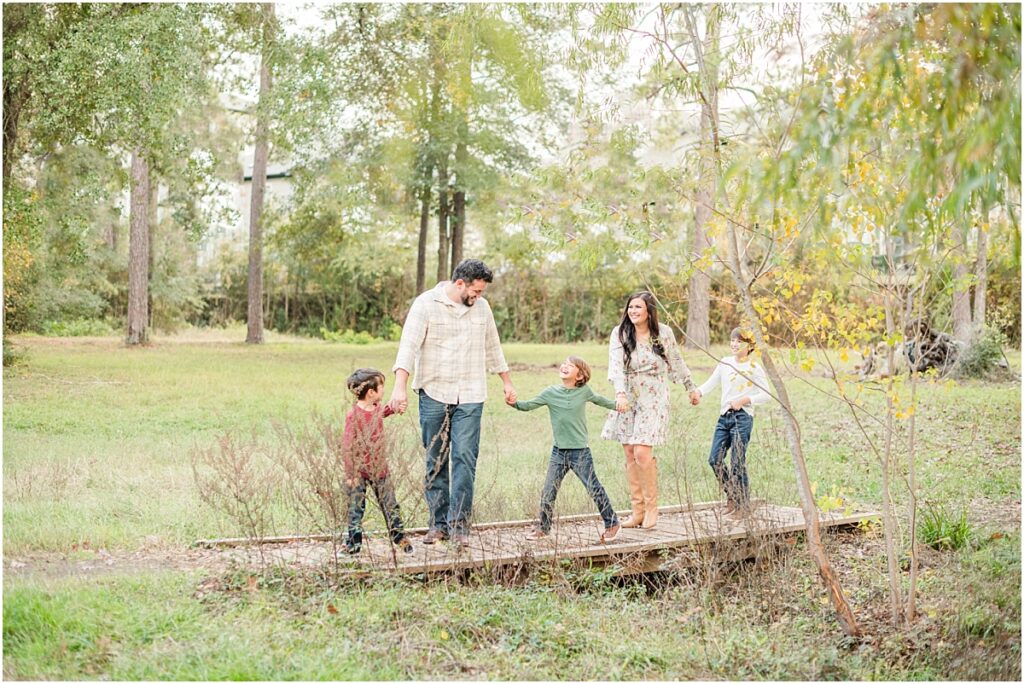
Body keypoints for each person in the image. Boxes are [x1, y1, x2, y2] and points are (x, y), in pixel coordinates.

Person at [388, 259, 516, 547]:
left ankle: (459, 526)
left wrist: (506, 382)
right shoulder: (425, 304)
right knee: (436, 459)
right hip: (433, 391)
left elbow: (493, 347)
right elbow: (408, 346)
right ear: (460, 283)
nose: (478, 297)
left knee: (465, 460)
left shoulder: (482, 309)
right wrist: (399, 388)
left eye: (481, 292)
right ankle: (438, 524)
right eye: (476, 291)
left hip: (471, 393)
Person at [601, 291, 697, 530]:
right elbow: (615, 366)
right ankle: (638, 511)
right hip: (628, 395)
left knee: (642, 452)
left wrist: (690, 387)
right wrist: (620, 393)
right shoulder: (621, 333)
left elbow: (676, 360)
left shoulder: (662, 333)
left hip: (653, 394)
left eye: (638, 307)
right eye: (630, 307)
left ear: (649, 311)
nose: (633, 311)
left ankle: (653, 508)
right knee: (629, 451)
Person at [508, 356, 625, 543]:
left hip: (580, 452)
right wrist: (514, 403)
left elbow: (600, 400)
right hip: (558, 452)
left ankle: (612, 523)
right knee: (548, 491)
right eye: (564, 364)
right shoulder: (550, 392)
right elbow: (528, 405)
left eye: (570, 366)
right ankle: (543, 529)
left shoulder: (584, 391)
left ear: (580, 376)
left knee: (593, 488)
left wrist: (619, 405)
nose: (564, 366)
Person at [691, 328, 770, 516]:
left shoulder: (753, 367)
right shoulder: (725, 363)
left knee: (737, 461)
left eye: (739, 341)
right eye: (732, 340)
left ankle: (744, 505)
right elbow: (711, 383)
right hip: (724, 417)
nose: (734, 344)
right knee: (714, 459)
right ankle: (732, 496)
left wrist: (745, 400)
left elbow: (766, 394)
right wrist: (698, 393)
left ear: (750, 346)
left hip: (742, 418)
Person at [342, 368, 413, 555]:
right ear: (371, 392)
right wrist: (351, 474)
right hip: (359, 471)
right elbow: (348, 445)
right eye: (382, 387)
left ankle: (400, 538)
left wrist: (395, 408)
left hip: (380, 469)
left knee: (390, 504)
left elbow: (384, 411)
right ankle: (353, 544)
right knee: (355, 508)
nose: (384, 390)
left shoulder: (375, 409)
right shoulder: (354, 415)